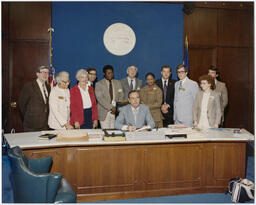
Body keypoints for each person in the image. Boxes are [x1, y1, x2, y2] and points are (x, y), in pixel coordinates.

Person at [18, 65, 51, 132]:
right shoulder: (29, 86)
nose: (45, 74)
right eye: (43, 72)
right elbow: (22, 105)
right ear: (37, 74)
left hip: (45, 125)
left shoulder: (48, 87)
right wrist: (28, 118)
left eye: (47, 73)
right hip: (31, 125)